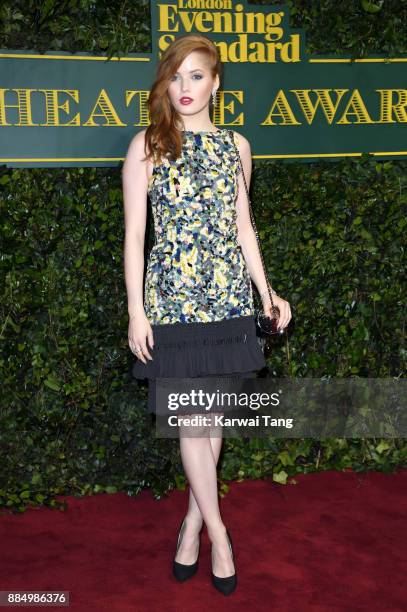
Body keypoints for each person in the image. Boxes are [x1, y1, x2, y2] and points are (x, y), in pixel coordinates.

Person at [122, 33, 291, 596]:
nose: (184, 87)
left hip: (226, 302)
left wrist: (266, 294)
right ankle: (219, 533)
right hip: (172, 303)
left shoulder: (235, 147)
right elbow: (135, 236)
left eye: (196, 76)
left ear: (216, 83)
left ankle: (191, 522)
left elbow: (244, 227)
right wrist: (135, 311)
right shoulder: (147, 145)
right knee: (194, 421)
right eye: (175, 76)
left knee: (210, 420)